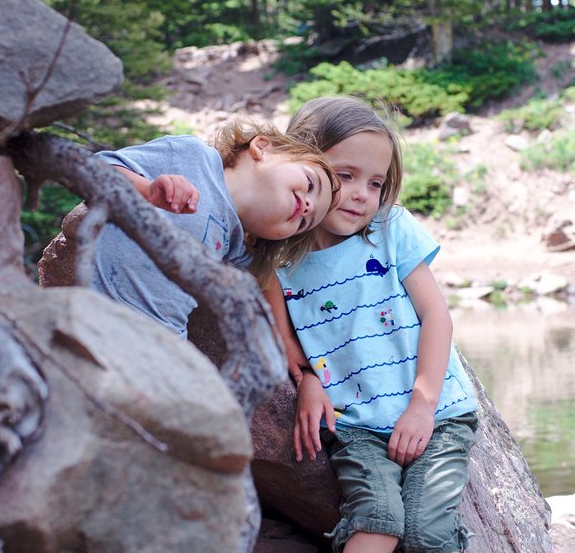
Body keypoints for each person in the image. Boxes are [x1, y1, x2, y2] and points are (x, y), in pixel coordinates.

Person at [263, 95, 478, 553]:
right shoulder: (279, 260)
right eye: (345, 176)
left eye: (376, 182)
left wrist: (422, 405)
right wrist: (307, 381)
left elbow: (436, 315)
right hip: (357, 424)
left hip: (437, 418)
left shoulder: (390, 228)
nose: (363, 193)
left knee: (427, 536)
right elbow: (284, 339)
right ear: (305, 167)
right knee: (376, 519)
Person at [92, 115, 337, 338]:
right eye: (310, 183)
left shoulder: (236, 246)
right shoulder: (192, 155)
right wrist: (146, 190)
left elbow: (268, 286)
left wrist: (287, 342)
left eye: (304, 223)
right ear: (262, 147)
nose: (307, 206)